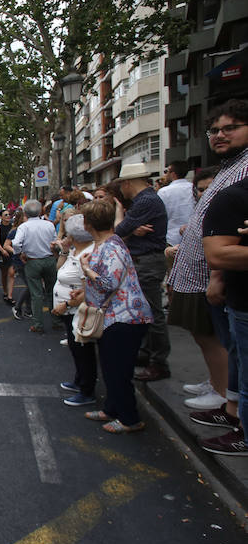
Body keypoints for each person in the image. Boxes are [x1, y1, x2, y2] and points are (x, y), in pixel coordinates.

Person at [167, 100, 248, 418]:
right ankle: (218, 386)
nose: (220, 135)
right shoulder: (229, 167)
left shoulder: (243, 169)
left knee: (223, 341)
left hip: (214, 276)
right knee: (211, 336)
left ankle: (225, 397)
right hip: (201, 273)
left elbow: (232, 230)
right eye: (214, 130)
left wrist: (217, 276)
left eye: (230, 128)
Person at [68, 200, 152, 433]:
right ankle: (112, 408)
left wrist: (86, 270)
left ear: (89, 223)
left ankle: (130, 419)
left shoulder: (111, 247)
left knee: (118, 371)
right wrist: (84, 292)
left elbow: (108, 283)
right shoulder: (105, 243)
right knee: (110, 367)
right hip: (113, 317)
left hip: (125, 318)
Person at [202, 173, 248, 455]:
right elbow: (217, 254)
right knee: (241, 364)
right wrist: (217, 276)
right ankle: (238, 421)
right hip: (241, 300)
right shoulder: (236, 195)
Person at [113, 163, 171, 382]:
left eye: (122, 185)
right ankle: (147, 353)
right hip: (145, 260)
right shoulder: (146, 200)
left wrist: (121, 215)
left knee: (152, 313)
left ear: (127, 183)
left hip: (147, 262)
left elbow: (118, 231)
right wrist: (132, 229)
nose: (122, 189)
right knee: (145, 312)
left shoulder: (146, 201)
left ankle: (159, 362)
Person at [50, 214, 97, 406]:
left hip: (77, 310)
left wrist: (67, 304)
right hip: (69, 309)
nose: (65, 237)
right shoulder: (74, 251)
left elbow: (88, 291)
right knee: (75, 346)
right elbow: (59, 268)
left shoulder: (87, 255)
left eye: (67, 234)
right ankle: (79, 380)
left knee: (83, 349)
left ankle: (87, 390)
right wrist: (64, 250)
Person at [12, 200, 59, 333]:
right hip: (49, 260)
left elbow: (16, 243)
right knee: (52, 291)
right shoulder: (49, 225)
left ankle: (38, 324)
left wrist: (20, 253)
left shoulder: (24, 227)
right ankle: (56, 320)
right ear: (40, 211)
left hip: (33, 261)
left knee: (36, 294)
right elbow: (55, 242)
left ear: (25, 213)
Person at [158, 160, 195, 247]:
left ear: (173, 174)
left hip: (171, 238)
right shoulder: (194, 188)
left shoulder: (163, 192)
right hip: (192, 236)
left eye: (166, 171)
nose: (165, 174)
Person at [6, 211, 32, 320]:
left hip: (30, 261)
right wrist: (17, 252)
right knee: (30, 285)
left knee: (30, 285)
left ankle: (28, 310)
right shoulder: (15, 231)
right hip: (19, 262)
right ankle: (17, 307)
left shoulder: (30, 229)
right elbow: (6, 245)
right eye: (26, 217)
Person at [0, 209, 14, 305]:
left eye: (9, 214)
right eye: (5, 215)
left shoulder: (13, 227)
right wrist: (2, 250)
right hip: (2, 253)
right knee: (4, 273)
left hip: (11, 252)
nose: (8, 216)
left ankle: (10, 296)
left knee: (11, 273)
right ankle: (5, 292)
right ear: (1, 217)